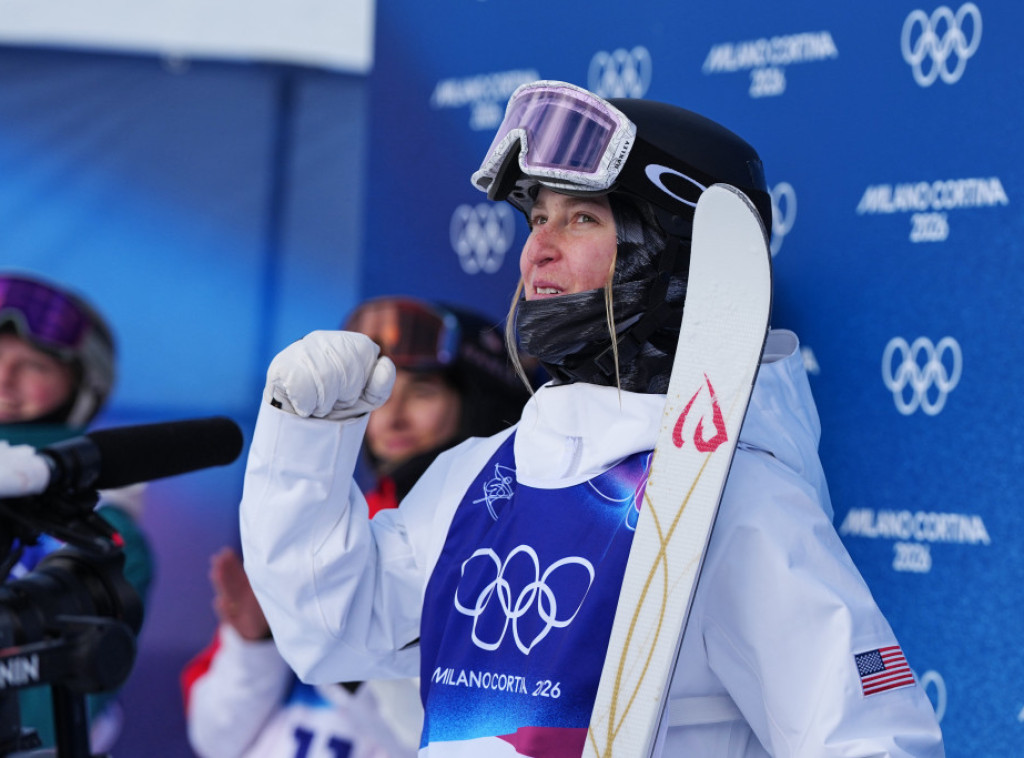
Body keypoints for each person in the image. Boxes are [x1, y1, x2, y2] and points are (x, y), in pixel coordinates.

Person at [238, 81, 946, 757]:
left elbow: (868, 739)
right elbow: (333, 630)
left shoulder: (732, 500)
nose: (537, 249)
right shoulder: (482, 473)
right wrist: (303, 441)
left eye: (580, 218)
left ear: (671, 250)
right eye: (538, 217)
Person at [183, 297, 531, 758]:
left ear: (482, 402)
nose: (393, 415)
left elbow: (472, 742)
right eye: (383, 393)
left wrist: (335, 639)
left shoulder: (508, 548)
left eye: (423, 391)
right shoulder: (323, 525)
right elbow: (214, 740)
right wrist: (256, 642)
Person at [0, 271, 154, 751]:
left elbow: (49, 720)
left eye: (34, 367)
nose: (4, 380)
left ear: (84, 386)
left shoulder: (101, 530)